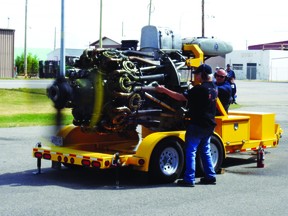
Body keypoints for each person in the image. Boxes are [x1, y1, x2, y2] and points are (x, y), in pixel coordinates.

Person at [155, 64, 217, 187]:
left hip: (197, 124)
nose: (196, 76)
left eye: (197, 74)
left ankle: (189, 179)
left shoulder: (200, 89)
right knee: (205, 150)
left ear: (202, 74)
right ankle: (210, 176)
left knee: (191, 151)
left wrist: (163, 90)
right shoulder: (214, 88)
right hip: (209, 124)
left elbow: (180, 97)